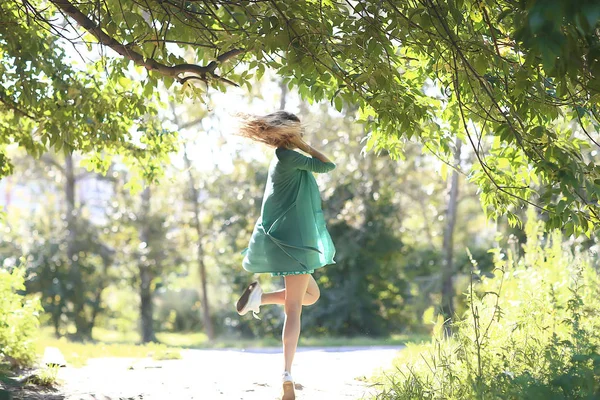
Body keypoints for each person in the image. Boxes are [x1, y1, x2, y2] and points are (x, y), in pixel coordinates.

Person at [235, 110, 336, 400]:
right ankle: (287, 374)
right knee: (294, 308)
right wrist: (305, 146)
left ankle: (260, 299)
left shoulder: (279, 158)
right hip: (297, 243)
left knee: (310, 296)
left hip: (285, 242)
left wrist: (297, 144)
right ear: (290, 133)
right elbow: (328, 166)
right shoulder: (290, 157)